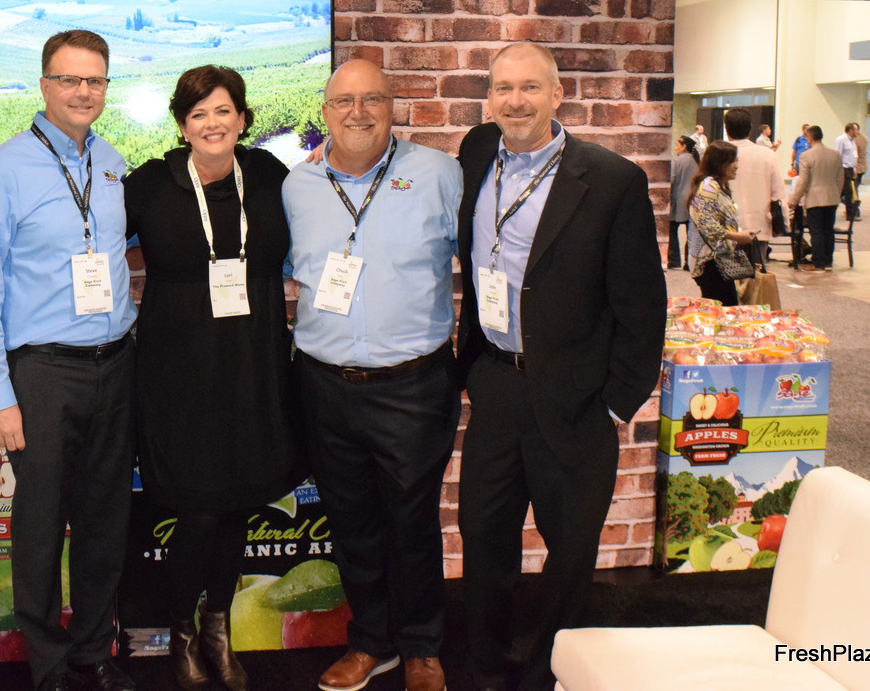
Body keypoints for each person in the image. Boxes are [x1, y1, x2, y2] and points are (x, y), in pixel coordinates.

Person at [455, 42, 665, 691]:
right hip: (495, 382)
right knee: (483, 539)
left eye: (529, 87)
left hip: (576, 397)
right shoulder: (475, 152)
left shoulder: (611, 180)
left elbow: (642, 305)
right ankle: (486, 667)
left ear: (557, 94)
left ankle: (551, 669)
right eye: (503, 88)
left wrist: (615, 403)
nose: (515, 101)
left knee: (570, 551)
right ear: (489, 98)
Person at [0, 30, 138, 691]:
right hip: (42, 372)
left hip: (115, 364)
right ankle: (50, 664)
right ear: (44, 85)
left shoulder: (112, 163)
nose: (83, 92)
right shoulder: (0, 169)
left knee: (104, 520)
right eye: (69, 79)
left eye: (95, 80)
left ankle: (93, 651)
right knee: (39, 524)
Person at [284, 58, 462, 691]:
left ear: (393, 108)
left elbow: (482, 256)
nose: (357, 113)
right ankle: (371, 642)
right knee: (349, 521)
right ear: (325, 113)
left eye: (372, 100)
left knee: (412, 522)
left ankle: (422, 647)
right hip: (324, 384)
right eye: (343, 102)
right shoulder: (297, 186)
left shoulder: (439, 174)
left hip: (413, 386)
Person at [124, 66, 300, 691]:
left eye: (223, 110)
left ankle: (217, 628)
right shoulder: (151, 184)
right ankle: (181, 632)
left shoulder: (270, 175)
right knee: (199, 509)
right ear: (182, 125)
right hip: (179, 374)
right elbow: (88, 240)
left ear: (243, 119)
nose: (212, 123)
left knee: (236, 505)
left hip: (254, 366)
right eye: (198, 113)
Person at [688, 141, 759, 306]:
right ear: (718, 163)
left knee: (722, 308)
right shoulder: (709, 186)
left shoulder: (718, 186)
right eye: (732, 161)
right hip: (711, 262)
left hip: (717, 261)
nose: (736, 166)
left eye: (736, 160)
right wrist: (737, 236)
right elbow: (707, 224)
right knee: (722, 310)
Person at [723, 108, 785, 267]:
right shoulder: (767, 154)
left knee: (726, 277)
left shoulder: (718, 154)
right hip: (759, 226)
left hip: (725, 229)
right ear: (750, 129)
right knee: (755, 276)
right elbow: (778, 193)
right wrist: (782, 223)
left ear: (726, 129)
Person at [788, 125, 845, 273]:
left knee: (817, 232)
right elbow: (840, 178)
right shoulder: (835, 154)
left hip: (815, 199)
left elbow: (803, 181)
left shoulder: (806, 156)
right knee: (828, 231)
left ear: (810, 138)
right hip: (832, 198)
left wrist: (793, 200)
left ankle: (818, 263)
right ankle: (828, 261)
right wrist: (836, 194)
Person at [667, 135, 699, 270]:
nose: (675, 148)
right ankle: (689, 262)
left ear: (684, 146)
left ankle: (673, 260)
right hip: (694, 200)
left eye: (677, 145)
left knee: (672, 229)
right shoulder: (697, 160)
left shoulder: (676, 160)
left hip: (678, 198)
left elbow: (672, 179)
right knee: (691, 231)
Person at [834, 123, 860, 221]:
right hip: (843, 169)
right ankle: (848, 214)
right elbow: (837, 155)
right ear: (850, 130)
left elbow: (853, 156)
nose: (857, 132)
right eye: (856, 130)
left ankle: (850, 214)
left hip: (850, 169)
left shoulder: (852, 141)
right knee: (844, 192)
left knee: (849, 193)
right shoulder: (841, 140)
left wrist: (854, 169)